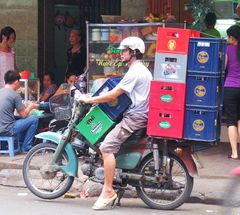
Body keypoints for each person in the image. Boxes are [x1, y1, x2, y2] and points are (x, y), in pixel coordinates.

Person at [78, 37, 153, 210]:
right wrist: (93, 96)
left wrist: (90, 101)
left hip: (134, 118)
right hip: (135, 114)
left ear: (133, 52)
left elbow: (114, 95)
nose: (121, 54)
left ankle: (108, 190)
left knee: (106, 148)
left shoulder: (136, 72)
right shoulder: (139, 70)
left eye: (124, 51)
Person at [0, 70, 39, 152]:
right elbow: (24, 115)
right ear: (16, 82)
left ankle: (18, 144)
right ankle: (26, 146)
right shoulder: (14, 94)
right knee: (34, 119)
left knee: (19, 120)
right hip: (8, 129)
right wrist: (31, 106)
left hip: (1, 128)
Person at [223, 25, 240, 160]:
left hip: (230, 87)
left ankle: (234, 153)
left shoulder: (228, 49)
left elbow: (224, 68)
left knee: (231, 121)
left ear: (232, 37)